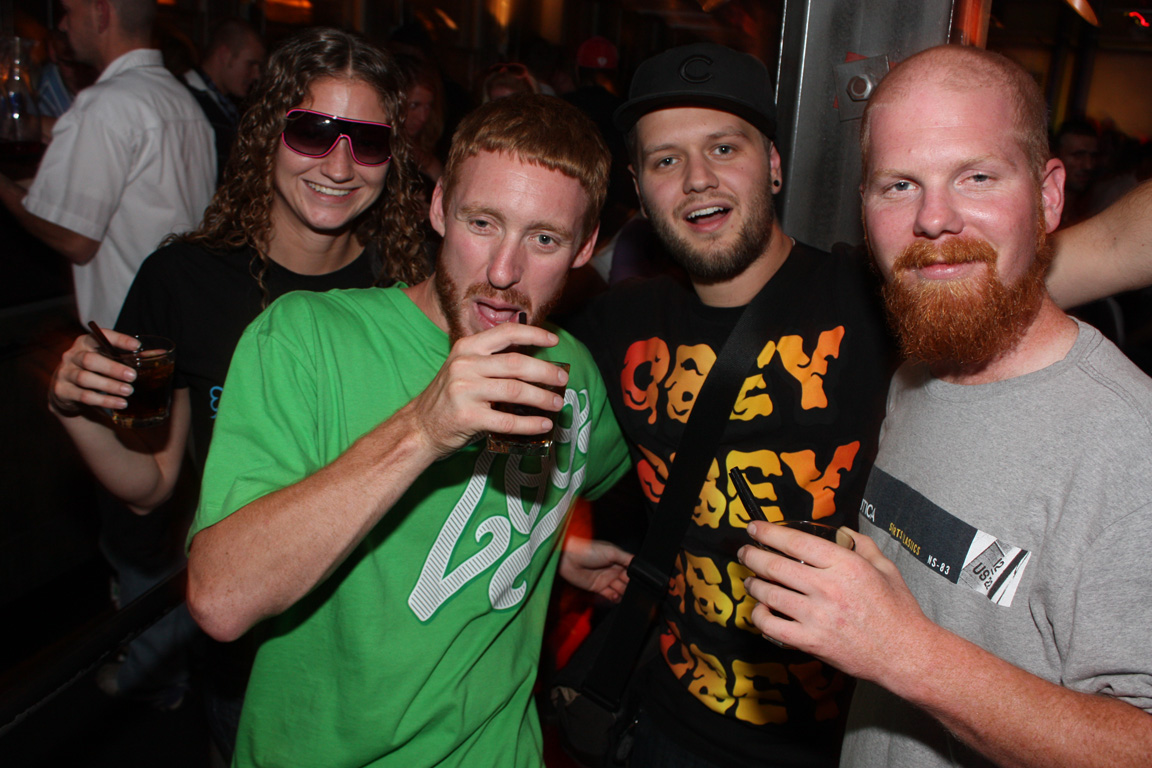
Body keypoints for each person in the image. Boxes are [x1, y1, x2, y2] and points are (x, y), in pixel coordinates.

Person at [185, 92, 634, 767]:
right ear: (439, 207)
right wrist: (424, 428)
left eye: (543, 239)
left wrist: (551, 535)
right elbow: (220, 599)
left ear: (586, 248)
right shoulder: (306, 339)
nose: (503, 272)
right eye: (482, 222)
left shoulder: (572, 373)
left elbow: (613, 475)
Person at [739, 44, 1152, 768]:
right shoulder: (916, 377)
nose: (934, 219)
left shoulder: (1129, 444)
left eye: (977, 177)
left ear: (1049, 197)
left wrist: (904, 653)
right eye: (899, 185)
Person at [46, 26, 427, 754]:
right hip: (254, 649)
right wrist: (74, 411)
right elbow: (150, 486)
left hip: (394, 638)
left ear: (393, 157)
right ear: (268, 134)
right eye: (312, 131)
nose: (339, 165)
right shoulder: (183, 282)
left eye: (369, 141)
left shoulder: (411, 282)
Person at [570, 42, 894, 768]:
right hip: (668, 728)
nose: (697, 179)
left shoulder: (871, 303)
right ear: (639, 189)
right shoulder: (615, 323)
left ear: (773, 164)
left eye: (724, 148)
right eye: (666, 160)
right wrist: (549, 545)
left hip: (839, 744)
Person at [0, 0, 215, 328]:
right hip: (177, 319)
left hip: (128, 333)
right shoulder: (182, 100)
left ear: (101, 13)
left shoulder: (105, 103)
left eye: (69, 11)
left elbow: (74, 238)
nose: (63, 25)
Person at [182, 17, 266, 184]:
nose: (256, 75)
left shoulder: (229, 106)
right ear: (225, 55)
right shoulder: (184, 99)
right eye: (251, 64)